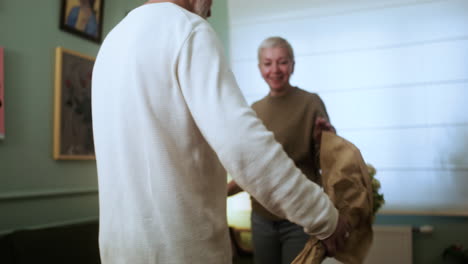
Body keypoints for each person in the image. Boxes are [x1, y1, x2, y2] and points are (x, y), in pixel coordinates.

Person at [91, 1, 348, 264]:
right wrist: (322, 216)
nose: (211, 10)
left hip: (119, 252)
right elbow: (245, 148)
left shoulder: (112, 42)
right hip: (179, 252)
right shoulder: (188, 30)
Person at [227, 36, 336, 264]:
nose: (275, 70)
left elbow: (328, 162)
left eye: (282, 62)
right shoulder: (254, 111)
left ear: (293, 65)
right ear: (259, 68)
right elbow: (252, 169)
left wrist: (326, 139)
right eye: (268, 63)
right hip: (261, 217)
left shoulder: (311, 103)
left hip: (300, 216)